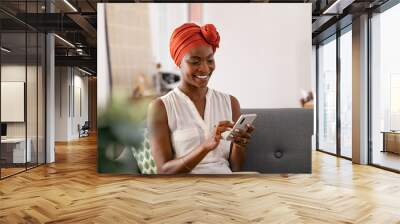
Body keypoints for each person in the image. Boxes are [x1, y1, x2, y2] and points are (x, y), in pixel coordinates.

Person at [147, 23, 255, 174]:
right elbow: (164, 171)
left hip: (226, 186)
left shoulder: (230, 102)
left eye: (210, 60)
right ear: (178, 62)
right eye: (195, 61)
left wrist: (239, 145)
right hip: (186, 190)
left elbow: (236, 169)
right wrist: (205, 147)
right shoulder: (161, 107)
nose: (205, 68)